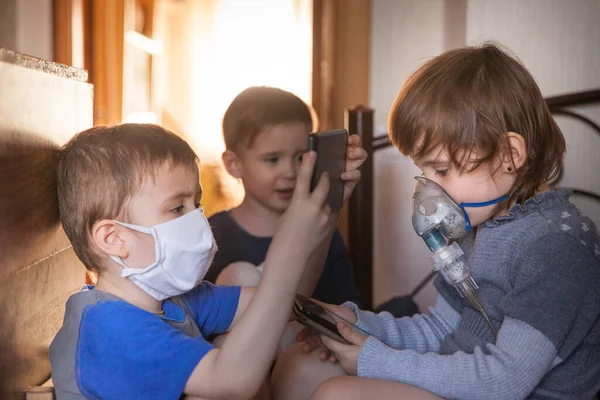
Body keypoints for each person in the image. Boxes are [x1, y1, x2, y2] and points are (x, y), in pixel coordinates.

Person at [270, 43, 600, 400]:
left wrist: (375, 361)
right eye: (423, 171)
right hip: (467, 380)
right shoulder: (480, 226)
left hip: (505, 390)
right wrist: (357, 325)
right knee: (298, 365)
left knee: (338, 394)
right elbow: (442, 330)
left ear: (509, 155)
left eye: (441, 169)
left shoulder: (555, 247)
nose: (428, 189)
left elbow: (505, 380)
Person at [49, 123, 366, 399]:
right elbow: (231, 381)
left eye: (196, 203)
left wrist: (324, 212)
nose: (198, 219)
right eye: (177, 209)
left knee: (281, 350)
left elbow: (281, 301)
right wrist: (286, 249)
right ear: (113, 238)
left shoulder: (176, 302)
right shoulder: (107, 326)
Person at [206, 86, 362, 308]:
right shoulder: (211, 236)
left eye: (300, 157)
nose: (290, 172)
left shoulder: (324, 229)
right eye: (272, 159)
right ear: (234, 164)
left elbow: (349, 307)